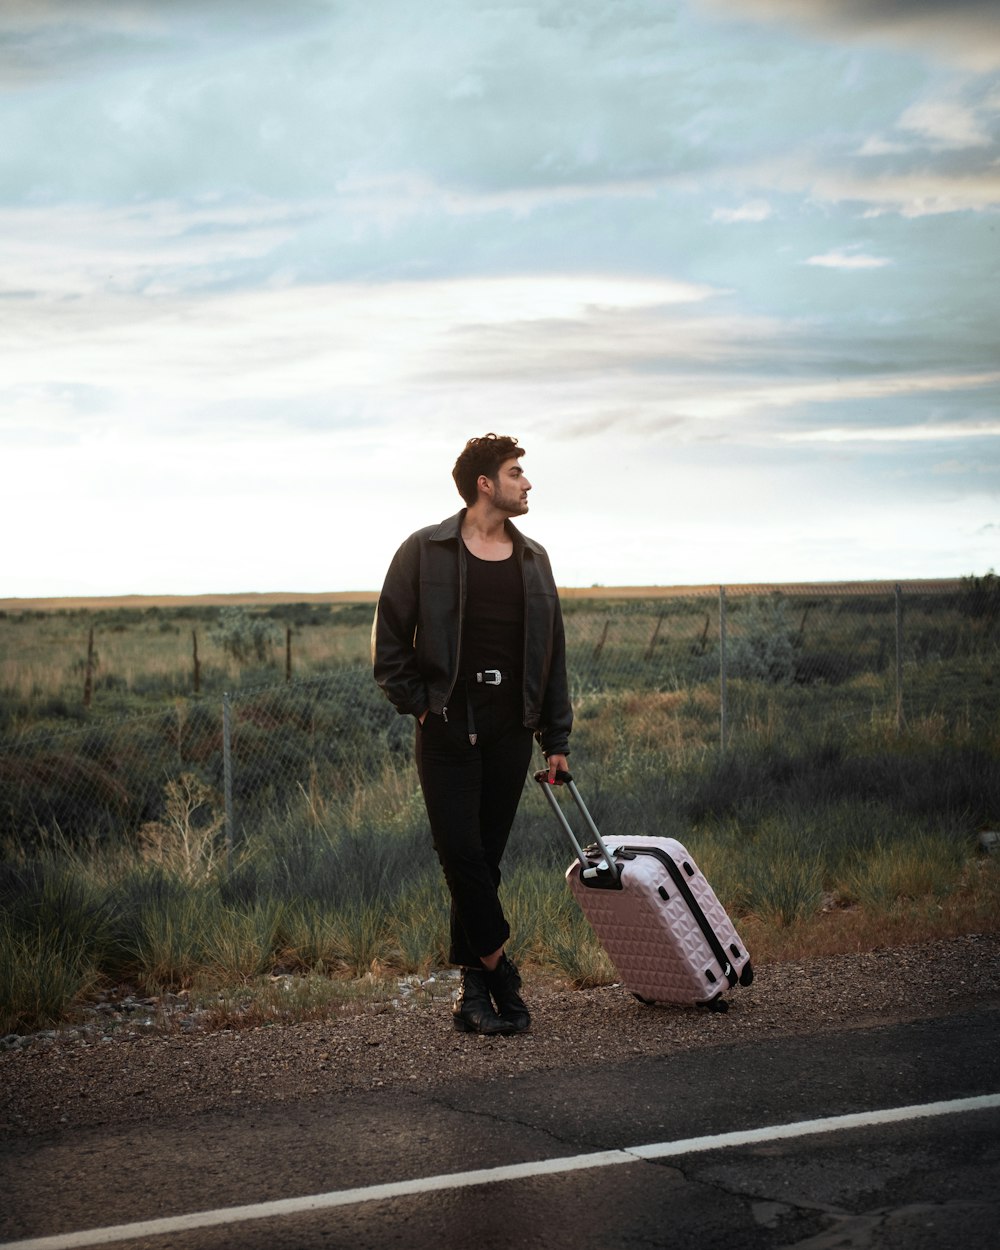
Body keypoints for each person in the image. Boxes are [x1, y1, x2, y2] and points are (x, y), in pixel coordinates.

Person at [372, 433, 572, 1036]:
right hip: (448, 728)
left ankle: (473, 993)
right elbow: (389, 647)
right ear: (485, 484)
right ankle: (501, 970)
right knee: (459, 853)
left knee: (484, 862)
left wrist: (554, 738)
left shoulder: (533, 559)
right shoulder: (424, 550)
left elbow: (552, 655)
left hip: (511, 727)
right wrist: (425, 709)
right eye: (516, 474)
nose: (527, 483)